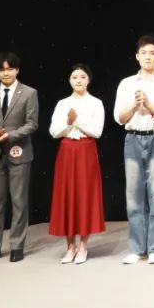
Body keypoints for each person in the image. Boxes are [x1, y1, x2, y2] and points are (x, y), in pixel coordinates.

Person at [113, 35, 154, 264]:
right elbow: (119, 118)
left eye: (152, 53)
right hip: (132, 139)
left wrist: (149, 104)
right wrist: (134, 105)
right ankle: (137, 248)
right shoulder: (127, 83)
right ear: (137, 56)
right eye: (144, 53)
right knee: (134, 197)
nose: (148, 57)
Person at [0, 52, 39, 264]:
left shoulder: (29, 93)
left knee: (19, 201)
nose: (6, 73)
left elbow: (32, 124)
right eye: (1, 70)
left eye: (10, 69)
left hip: (19, 152)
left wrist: (10, 135)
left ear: (17, 70)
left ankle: (17, 245)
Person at [48, 63, 106, 264]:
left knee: (84, 195)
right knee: (67, 195)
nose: (78, 80)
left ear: (88, 80)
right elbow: (54, 132)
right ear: (69, 80)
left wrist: (77, 120)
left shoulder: (96, 103)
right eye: (74, 77)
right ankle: (70, 246)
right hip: (66, 149)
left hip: (86, 149)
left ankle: (83, 246)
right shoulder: (62, 103)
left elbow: (97, 131)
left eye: (82, 77)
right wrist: (68, 122)